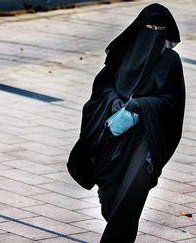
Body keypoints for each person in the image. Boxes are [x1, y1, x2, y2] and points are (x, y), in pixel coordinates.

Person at [67, 3, 185, 242]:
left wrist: (141, 106)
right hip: (113, 138)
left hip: (145, 139)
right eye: (150, 27)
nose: (154, 33)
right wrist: (113, 102)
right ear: (140, 28)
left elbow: (172, 102)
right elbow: (102, 88)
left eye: (159, 29)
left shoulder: (170, 61)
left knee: (131, 198)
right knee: (112, 199)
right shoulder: (122, 53)